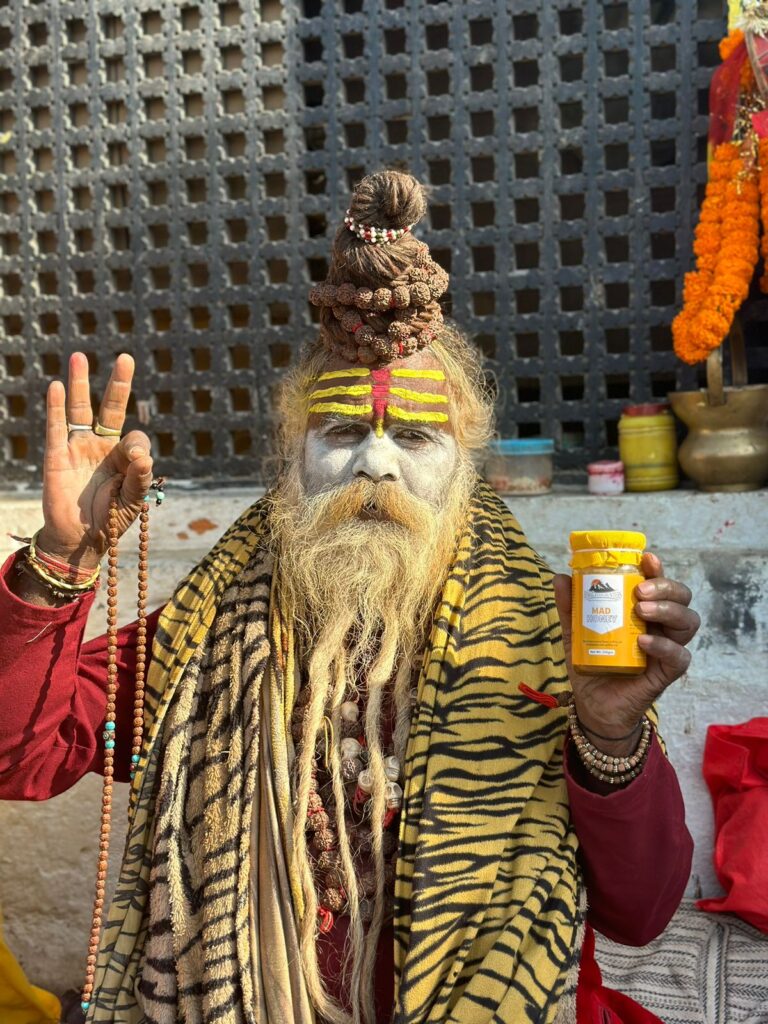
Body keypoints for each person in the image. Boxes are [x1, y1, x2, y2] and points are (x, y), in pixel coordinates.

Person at [0, 171, 697, 1024]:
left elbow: (641, 913)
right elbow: (23, 757)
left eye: (412, 436)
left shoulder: (560, 630)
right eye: (340, 433)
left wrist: (609, 733)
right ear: (291, 461)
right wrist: (57, 563)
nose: (375, 464)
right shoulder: (208, 634)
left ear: (464, 467)